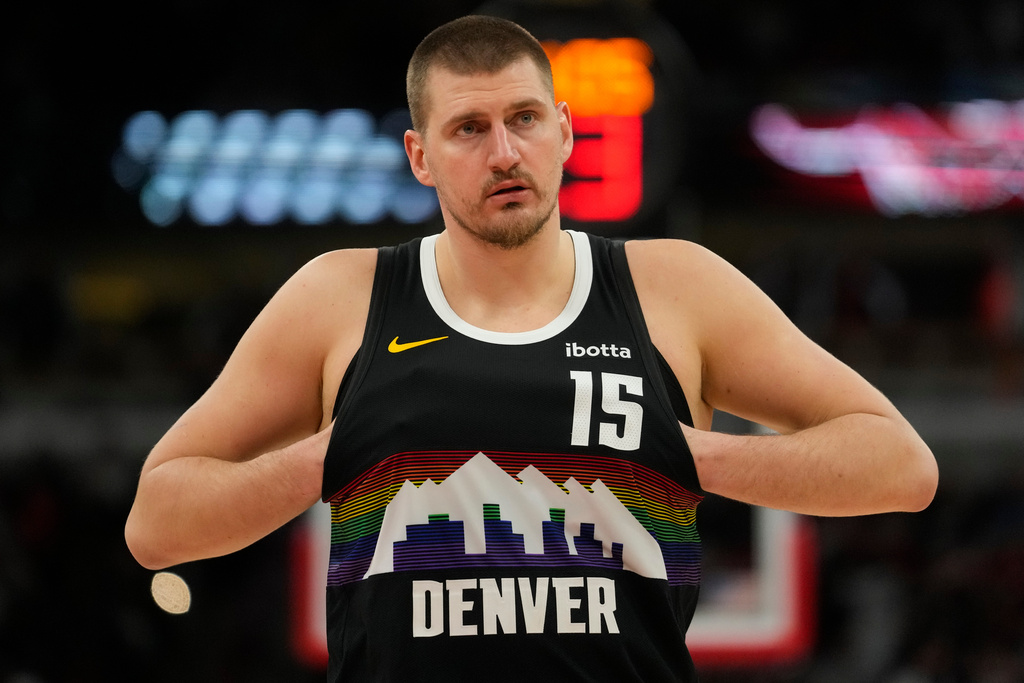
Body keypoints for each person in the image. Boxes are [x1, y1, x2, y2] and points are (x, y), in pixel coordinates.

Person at [125, 14, 938, 682]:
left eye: (523, 119)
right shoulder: (342, 296)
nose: (504, 152)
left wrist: (693, 457)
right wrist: (327, 459)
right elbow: (157, 524)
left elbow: (900, 466)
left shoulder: (673, 286)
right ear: (420, 157)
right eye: (469, 129)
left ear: (565, 131)